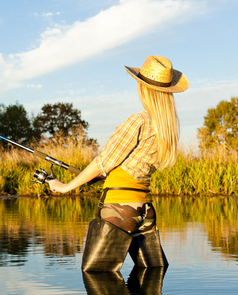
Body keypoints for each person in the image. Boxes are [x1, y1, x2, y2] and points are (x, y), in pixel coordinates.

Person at [48, 55, 188, 272]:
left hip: (119, 209)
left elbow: (102, 162)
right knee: (152, 274)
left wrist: (65, 187)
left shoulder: (138, 121)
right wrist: (108, 177)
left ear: (144, 89)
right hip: (146, 210)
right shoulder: (167, 128)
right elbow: (131, 165)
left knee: (96, 276)